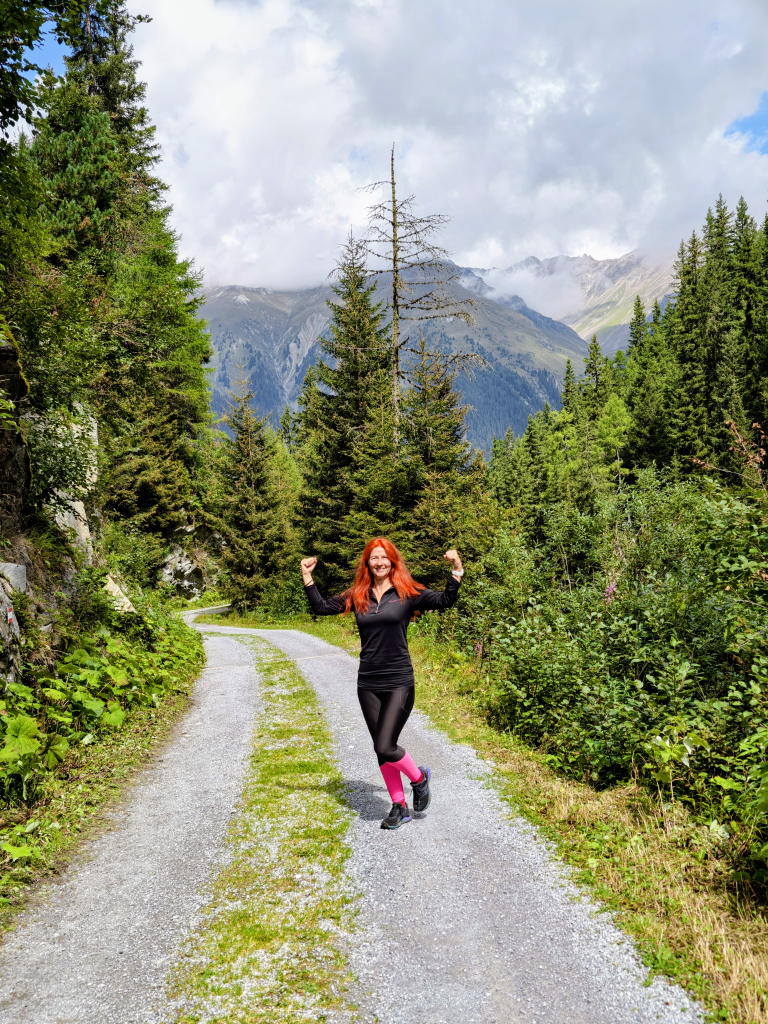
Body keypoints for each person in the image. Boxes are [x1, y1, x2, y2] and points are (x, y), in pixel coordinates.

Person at [300, 538, 463, 830]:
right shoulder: (358, 594)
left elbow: (445, 600)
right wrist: (307, 576)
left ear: (392, 561)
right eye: (374, 558)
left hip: (399, 680)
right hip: (368, 682)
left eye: (384, 557)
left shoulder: (408, 593)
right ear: (367, 563)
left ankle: (419, 779)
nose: (379, 563)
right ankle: (399, 806)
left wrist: (457, 568)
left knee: (385, 745)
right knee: (381, 748)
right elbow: (321, 608)